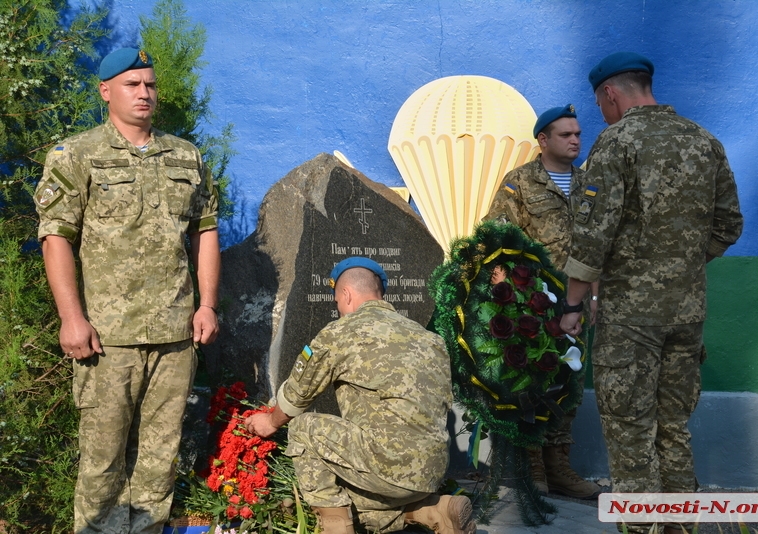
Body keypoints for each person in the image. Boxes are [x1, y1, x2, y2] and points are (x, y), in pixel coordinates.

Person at [34, 48, 220, 534]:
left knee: (160, 460)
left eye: (150, 85)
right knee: (102, 464)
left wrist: (207, 304)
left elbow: (204, 232)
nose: (144, 93)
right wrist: (71, 318)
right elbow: (57, 238)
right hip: (106, 338)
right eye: (132, 84)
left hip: (175, 334)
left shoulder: (186, 155)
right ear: (106, 91)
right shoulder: (75, 154)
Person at [559, 52, 743, 534]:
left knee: (630, 431)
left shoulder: (616, 143)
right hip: (687, 314)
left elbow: (592, 238)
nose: (601, 112)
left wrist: (572, 306)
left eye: (601, 103)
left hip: (630, 319)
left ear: (610, 94)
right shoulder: (705, 143)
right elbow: (729, 224)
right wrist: (677, 266)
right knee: (673, 427)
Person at [244, 257, 476, 534]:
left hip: (386, 468)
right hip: (431, 472)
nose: (340, 309)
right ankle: (436, 511)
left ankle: (335, 529)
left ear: (346, 294)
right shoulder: (430, 338)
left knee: (303, 428)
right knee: (355, 502)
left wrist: (269, 422)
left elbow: (298, 394)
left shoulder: (340, 333)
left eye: (338, 303)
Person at [483, 104, 601, 500]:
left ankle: (559, 467)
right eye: (566, 134)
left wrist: (596, 295)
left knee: (569, 380)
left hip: (578, 303)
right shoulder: (520, 184)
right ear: (543, 140)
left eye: (578, 134)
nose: (575, 140)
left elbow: (601, 245)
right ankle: (532, 467)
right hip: (533, 305)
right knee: (534, 382)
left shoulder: (591, 184)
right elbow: (496, 239)